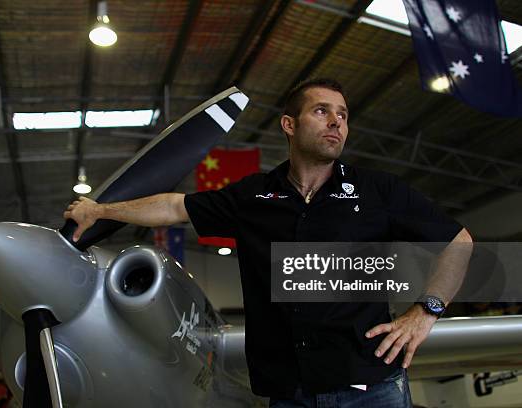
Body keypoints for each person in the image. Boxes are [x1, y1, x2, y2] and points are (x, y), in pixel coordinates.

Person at [64, 78, 472, 407]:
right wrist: (101, 211)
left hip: (370, 387)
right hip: (289, 393)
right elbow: (173, 208)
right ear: (289, 125)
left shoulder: (378, 191)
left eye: (343, 115)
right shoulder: (252, 196)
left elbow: (458, 241)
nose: (336, 122)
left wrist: (426, 311)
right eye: (322, 111)